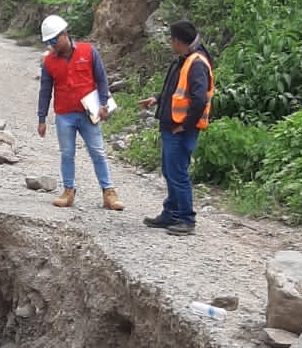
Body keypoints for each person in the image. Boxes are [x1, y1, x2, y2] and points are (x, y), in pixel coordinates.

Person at [37, 14, 124, 210]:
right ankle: (68, 191)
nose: (52, 45)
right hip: (64, 115)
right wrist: (41, 118)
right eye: (48, 42)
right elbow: (45, 91)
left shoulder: (88, 51)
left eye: (54, 40)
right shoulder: (49, 63)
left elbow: (102, 79)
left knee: (98, 152)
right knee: (67, 153)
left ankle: (108, 192)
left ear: (64, 34)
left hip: (88, 113)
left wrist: (103, 104)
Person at [140, 21, 214, 235]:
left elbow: (199, 100)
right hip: (173, 126)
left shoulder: (196, 63)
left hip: (180, 129)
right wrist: (157, 99)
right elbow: (176, 90)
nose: (170, 44)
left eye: (172, 40)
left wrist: (185, 125)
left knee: (178, 173)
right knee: (170, 171)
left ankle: (186, 219)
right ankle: (171, 213)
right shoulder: (185, 60)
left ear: (178, 41)